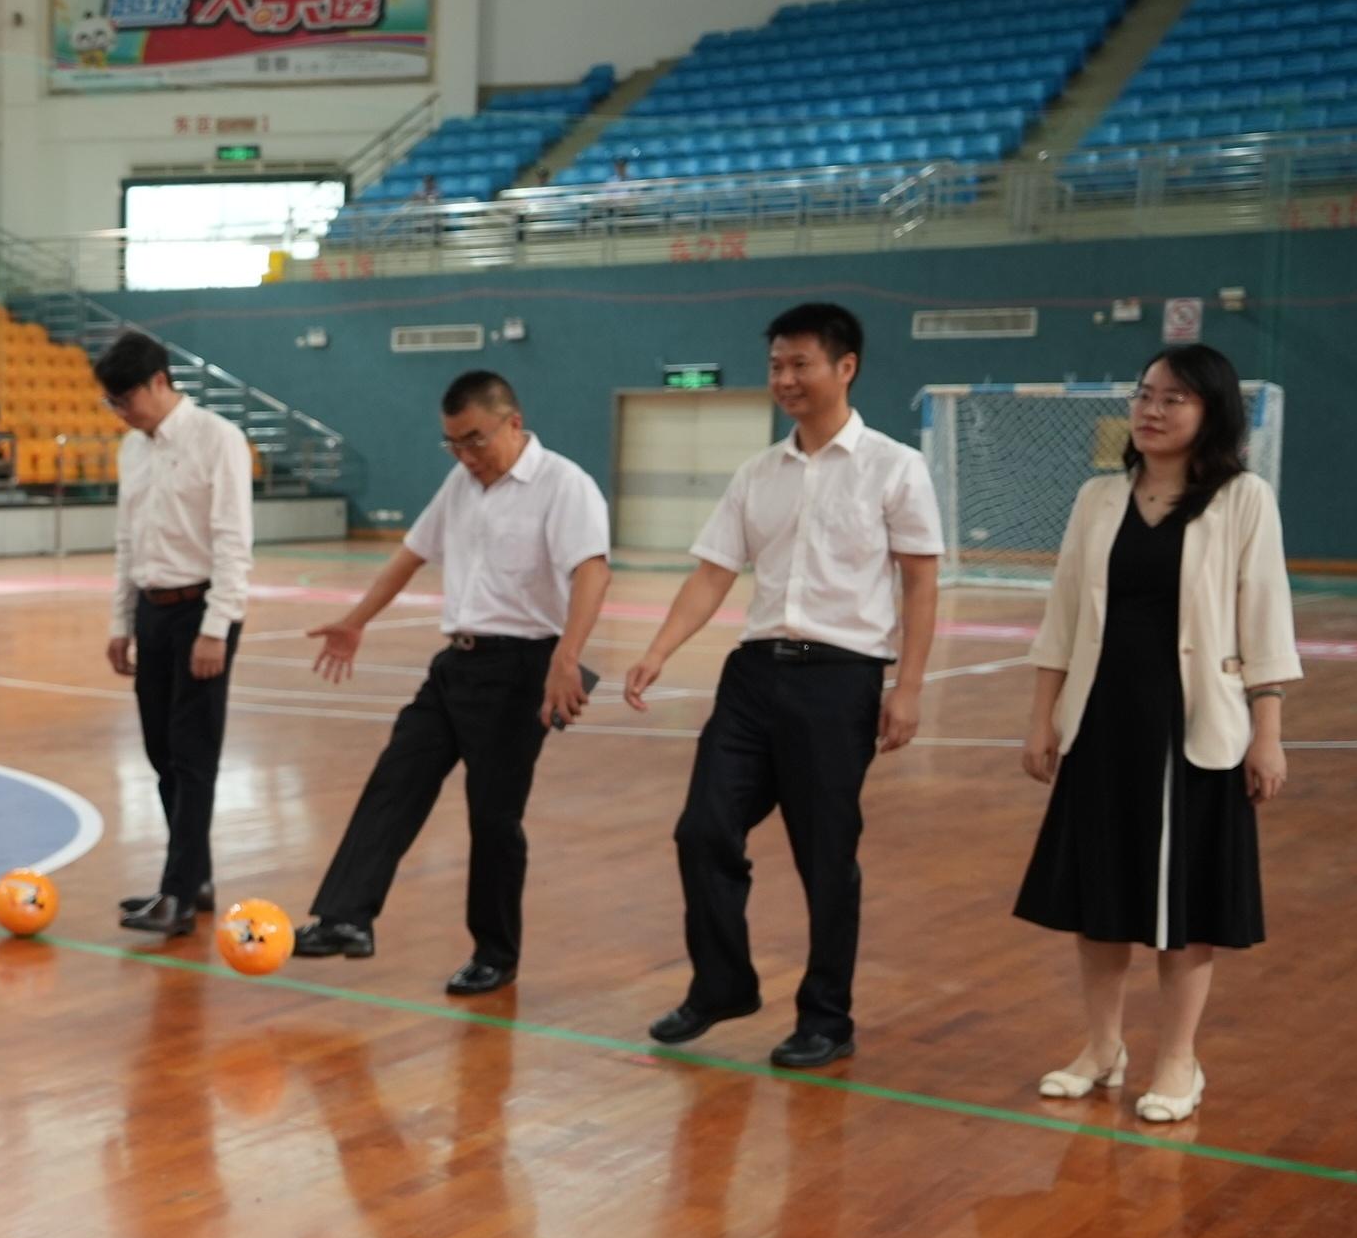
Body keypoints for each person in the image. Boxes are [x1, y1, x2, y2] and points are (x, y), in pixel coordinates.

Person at [622, 302, 943, 1070]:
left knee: (825, 857)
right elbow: (713, 573)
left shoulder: (895, 466)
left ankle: (827, 1018)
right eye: (775, 366)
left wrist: (908, 688)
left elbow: (921, 580)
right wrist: (658, 649)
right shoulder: (757, 473)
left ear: (845, 367)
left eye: (801, 364)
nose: (785, 379)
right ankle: (723, 986)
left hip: (840, 681)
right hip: (752, 677)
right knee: (703, 830)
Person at [1013, 344, 1298, 1126]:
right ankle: (1102, 1048)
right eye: (1145, 394)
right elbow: (1062, 617)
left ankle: (1179, 1059)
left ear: (1213, 411)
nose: (1152, 409)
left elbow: (1266, 620)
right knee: (1099, 894)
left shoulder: (1243, 499)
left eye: (1175, 398)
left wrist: (1268, 733)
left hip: (1195, 725)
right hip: (1102, 721)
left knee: (1185, 903)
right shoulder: (1097, 498)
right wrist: (1042, 717)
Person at [289, 371, 611, 992]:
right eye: (453, 444)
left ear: (513, 423)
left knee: (493, 817)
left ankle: (495, 952)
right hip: (455, 664)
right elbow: (410, 554)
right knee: (396, 779)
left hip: (522, 670)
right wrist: (356, 620)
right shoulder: (460, 484)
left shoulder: (564, 484)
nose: (465, 455)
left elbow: (592, 573)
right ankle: (345, 917)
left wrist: (567, 658)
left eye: (474, 440)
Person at [97, 331, 252, 937]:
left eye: (126, 399)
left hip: (201, 612)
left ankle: (178, 893)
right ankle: (196, 877)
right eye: (112, 403)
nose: (120, 412)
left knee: (194, 755)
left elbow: (234, 541)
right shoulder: (132, 450)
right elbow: (127, 541)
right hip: (152, 610)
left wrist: (216, 628)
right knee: (161, 752)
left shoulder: (218, 439)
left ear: (159, 381)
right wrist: (121, 622)